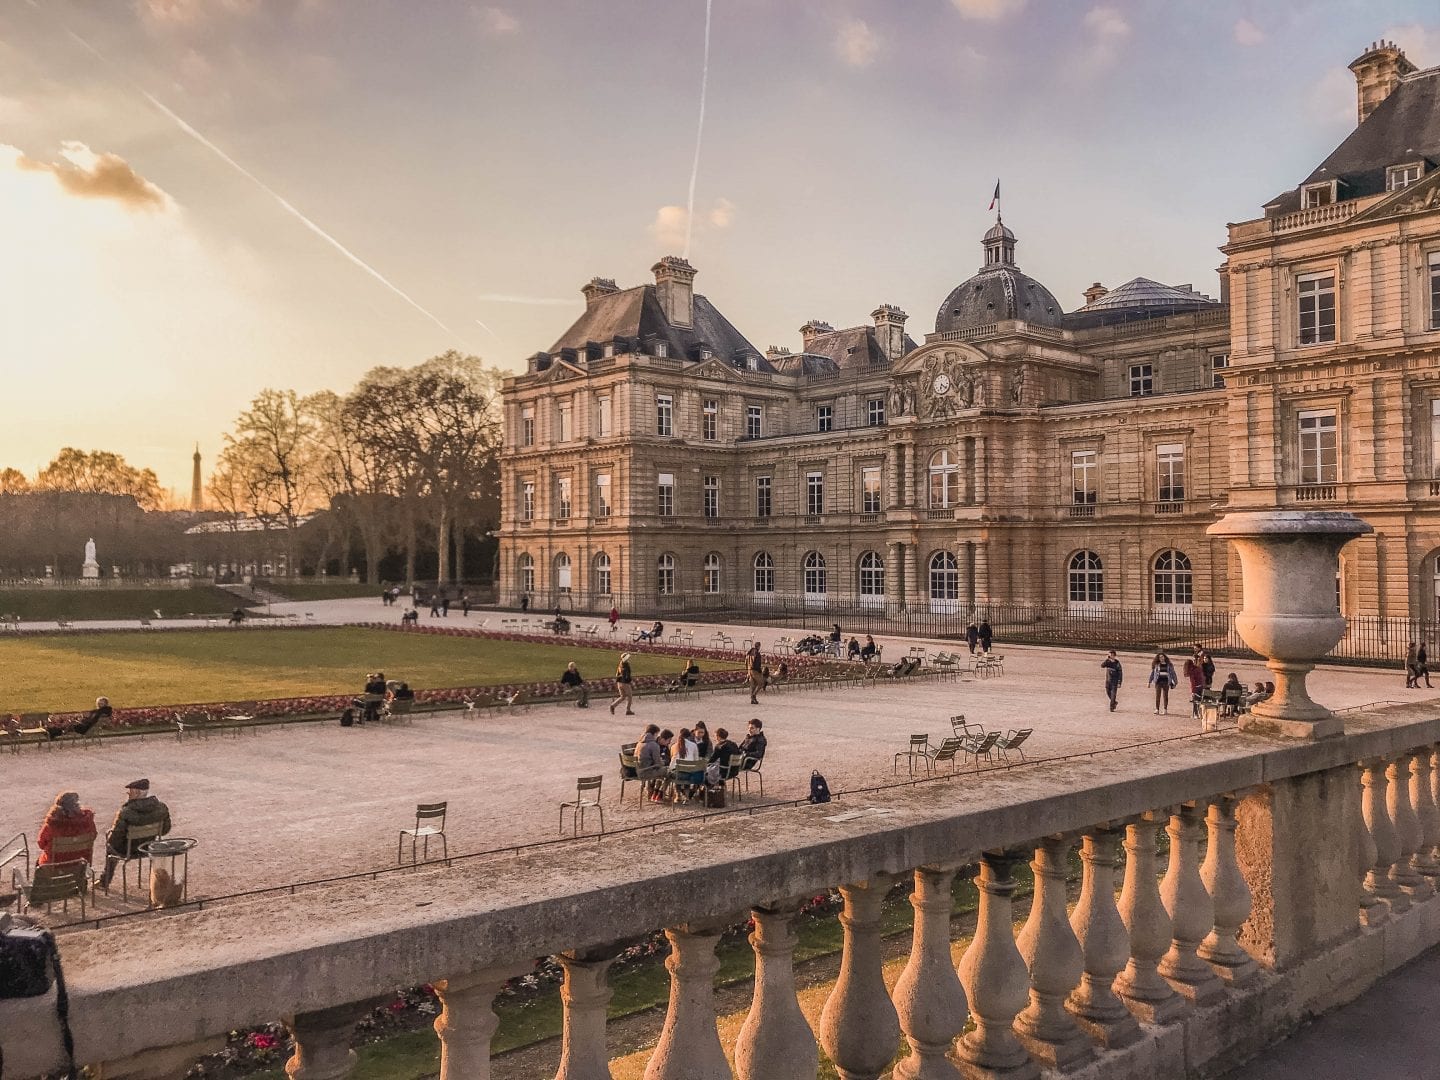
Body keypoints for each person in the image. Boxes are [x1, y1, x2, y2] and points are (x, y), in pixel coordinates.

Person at [98, 779, 171, 890]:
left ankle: (105, 881)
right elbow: (165, 830)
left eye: (130, 791)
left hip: (128, 850)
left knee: (110, 847)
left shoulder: (126, 812)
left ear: (136, 793)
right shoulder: (162, 808)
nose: (128, 794)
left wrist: (110, 843)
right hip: (148, 847)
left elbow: (115, 839)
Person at [37, 791, 96, 867]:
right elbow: (94, 836)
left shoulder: (51, 825)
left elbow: (41, 844)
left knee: (40, 862)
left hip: (53, 867)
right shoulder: (87, 822)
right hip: (80, 866)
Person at [47, 696, 112, 740]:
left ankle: (53, 732)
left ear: (105, 704)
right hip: (88, 727)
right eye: (99, 703)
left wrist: (82, 720)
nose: (99, 704)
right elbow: (92, 720)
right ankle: (54, 732)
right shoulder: (103, 711)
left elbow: (91, 720)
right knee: (69, 725)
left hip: (85, 728)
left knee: (70, 724)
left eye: (101, 703)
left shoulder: (100, 712)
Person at [636, 724, 665, 801]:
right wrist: (663, 762)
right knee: (667, 771)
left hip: (637, 770)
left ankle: (652, 791)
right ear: (655, 733)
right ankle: (658, 794)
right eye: (657, 734)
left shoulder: (639, 743)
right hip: (647, 771)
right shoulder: (653, 745)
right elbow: (657, 763)